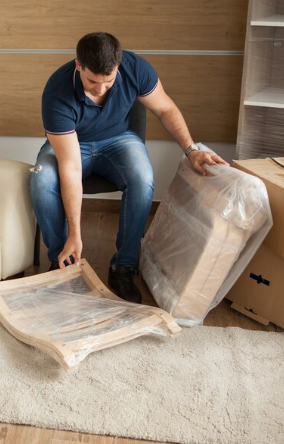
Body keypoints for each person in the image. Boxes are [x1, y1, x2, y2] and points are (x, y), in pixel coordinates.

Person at [30, 32, 227, 304]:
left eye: (108, 81)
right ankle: (63, 262)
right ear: (78, 65)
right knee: (41, 180)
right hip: (74, 143)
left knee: (142, 178)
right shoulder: (57, 91)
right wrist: (75, 234)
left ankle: (123, 266)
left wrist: (191, 149)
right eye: (92, 82)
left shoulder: (136, 69)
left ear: (118, 67)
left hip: (118, 139)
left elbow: (165, 109)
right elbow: (71, 166)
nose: (101, 90)